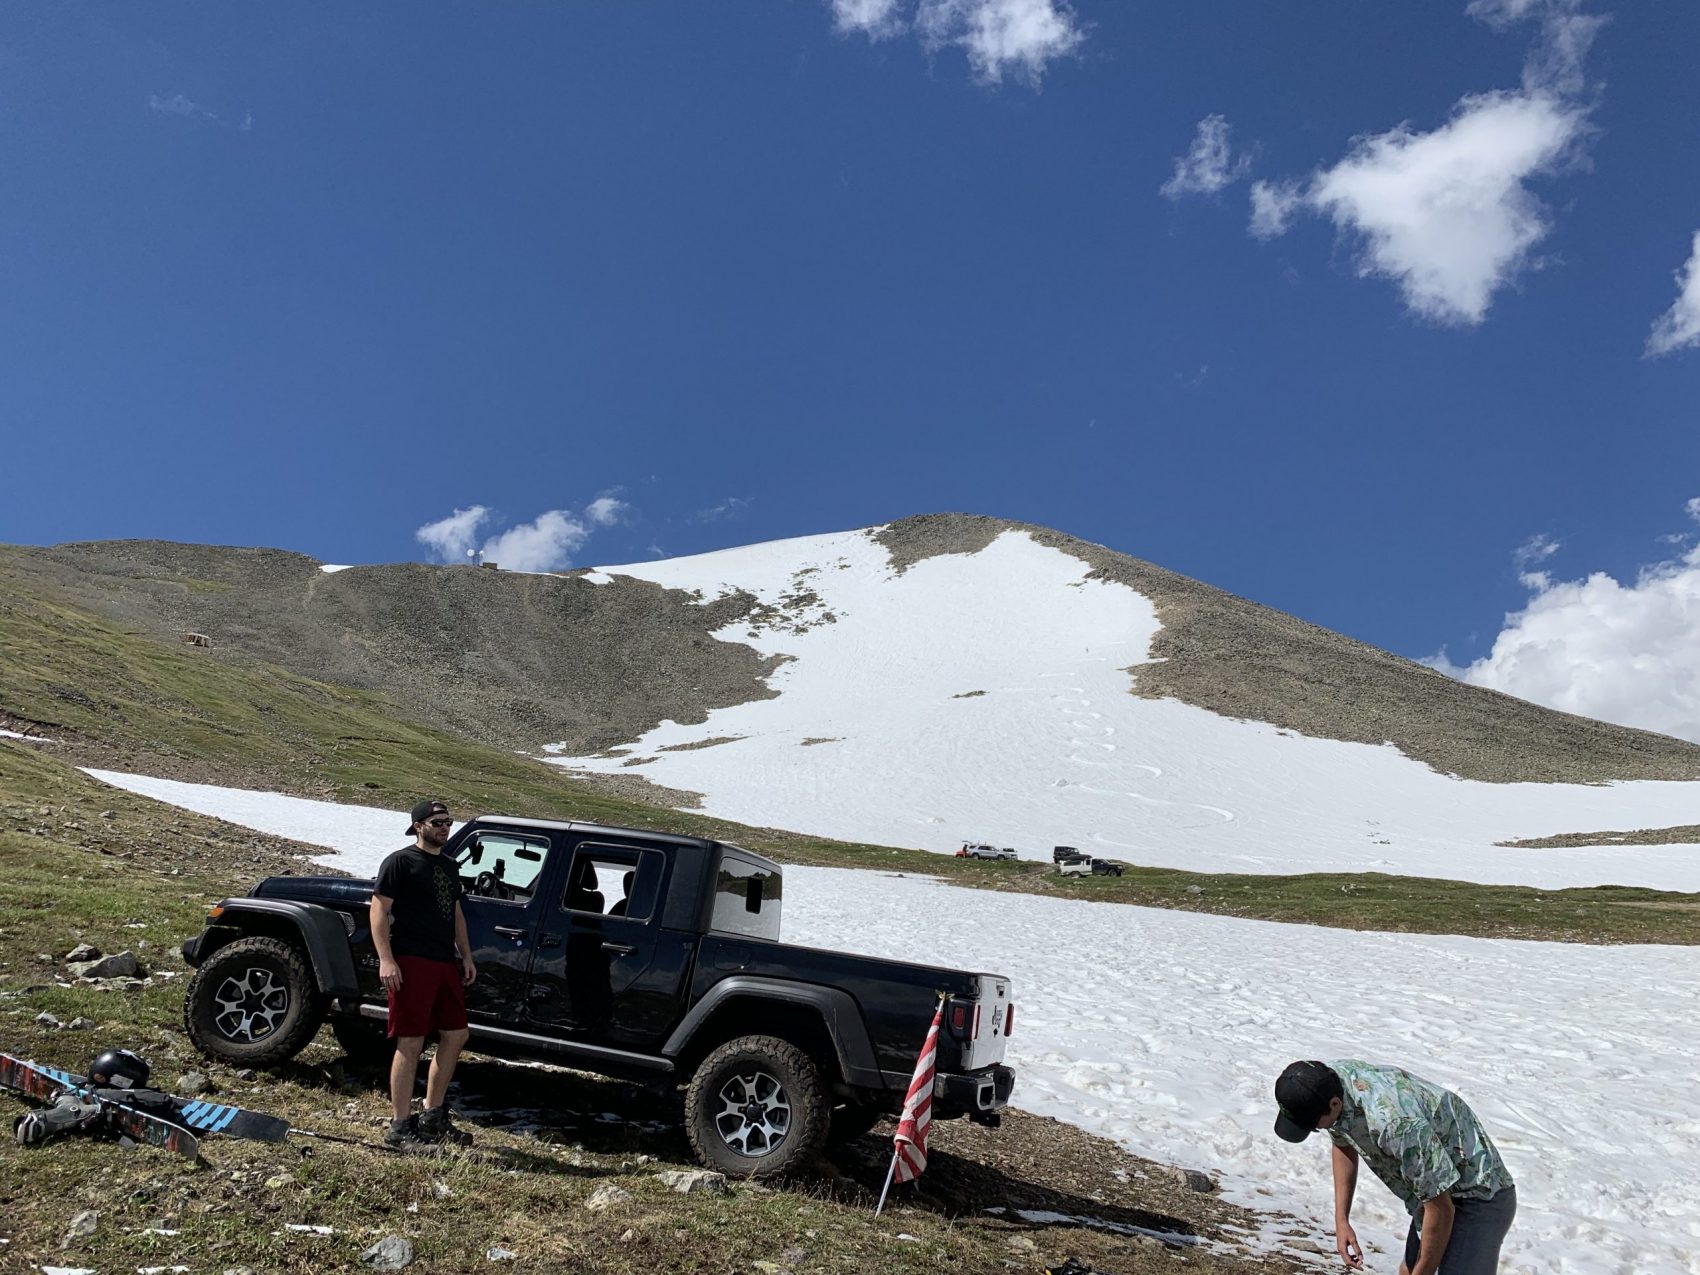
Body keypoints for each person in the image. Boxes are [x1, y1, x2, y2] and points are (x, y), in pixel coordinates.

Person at [1273, 1059, 1515, 1275]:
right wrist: (1342, 1220)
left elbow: (1441, 1210)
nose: (1321, 1129)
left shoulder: (1396, 1125)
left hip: (1479, 1196)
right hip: (1433, 1195)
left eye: (1315, 1125)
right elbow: (1342, 1141)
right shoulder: (1328, 1082)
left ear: (1334, 1103)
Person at [371, 799, 477, 1149]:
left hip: (444, 961)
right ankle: (399, 1128)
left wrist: (465, 955)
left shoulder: (448, 866)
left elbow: (456, 912)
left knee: (456, 1034)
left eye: (448, 822)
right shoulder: (400, 862)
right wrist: (386, 959)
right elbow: (379, 910)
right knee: (411, 1041)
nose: (445, 827)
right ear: (418, 826)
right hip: (411, 959)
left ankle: (432, 1117)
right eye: (437, 822)